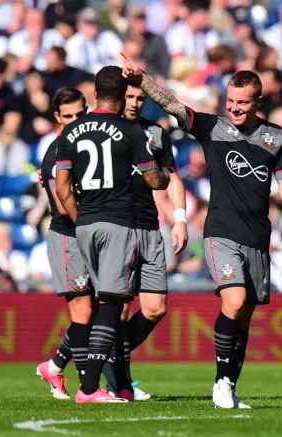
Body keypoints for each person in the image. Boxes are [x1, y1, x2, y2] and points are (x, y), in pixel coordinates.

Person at [122, 55, 282, 409]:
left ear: (258, 103)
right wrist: (143, 79)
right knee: (233, 302)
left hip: (258, 237)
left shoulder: (274, 136)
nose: (234, 109)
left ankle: (231, 386)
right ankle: (220, 383)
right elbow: (173, 104)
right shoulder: (212, 127)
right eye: (230, 102)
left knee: (245, 316)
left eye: (242, 103)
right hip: (220, 232)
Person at [55, 65, 169, 404]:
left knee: (106, 301)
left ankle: (109, 382)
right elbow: (152, 179)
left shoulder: (71, 131)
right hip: (119, 221)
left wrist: (81, 218)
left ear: (93, 94)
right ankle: (89, 388)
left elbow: (62, 188)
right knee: (112, 302)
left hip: (85, 223)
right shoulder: (129, 131)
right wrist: (162, 178)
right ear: (121, 99)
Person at [102, 84, 188, 401]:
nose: (135, 103)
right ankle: (119, 381)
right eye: (129, 97)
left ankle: (105, 356)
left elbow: (173, 177)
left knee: (154, 308)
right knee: (120, 306)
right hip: (116, 225)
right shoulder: (104, 130)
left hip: (150, 226)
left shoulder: (155, 132)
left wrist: (179, 218)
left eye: (140, 98)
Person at [35, 87, 90, 401]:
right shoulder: (57, 151)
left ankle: (54, 366)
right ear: (57, 118)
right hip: (69, 236)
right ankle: (89, 387)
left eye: (80, 115)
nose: (74, 122)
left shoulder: (93, 146)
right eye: (68, 117)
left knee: (96, 311)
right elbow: (62, 198)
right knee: (82, 310)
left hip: (90, 234)